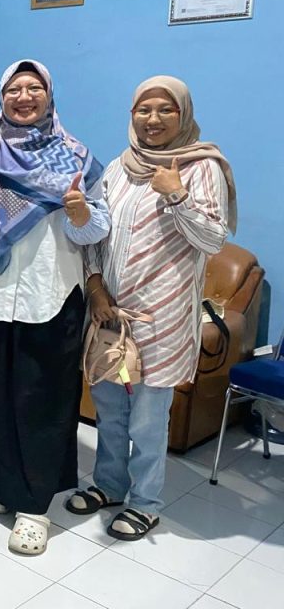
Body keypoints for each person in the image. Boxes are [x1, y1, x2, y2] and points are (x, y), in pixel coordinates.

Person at [66, 75, 235, 540]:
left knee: (147, 418)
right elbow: (97, 234)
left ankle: (145, 502)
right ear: (132, 115)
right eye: (144, 109)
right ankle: (109, 484)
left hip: (162, 320)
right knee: (110, 409)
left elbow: (213, 239)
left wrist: (176, 194)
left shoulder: (202, 167)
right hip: (111, 316)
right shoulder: (118, 168)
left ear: (184, 114)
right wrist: (95, 287)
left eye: (165, 110)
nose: (153, 119)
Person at [0, 59, 110, 556]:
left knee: (42, 400)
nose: (24, 97)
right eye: (14, 89)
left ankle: (34, 506)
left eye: (34, 88)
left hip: (51, 293)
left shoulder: (76, 157)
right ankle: (2, 485)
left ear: (49, 96)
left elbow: (96, 231)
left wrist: (80, 213)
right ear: (1, 96)